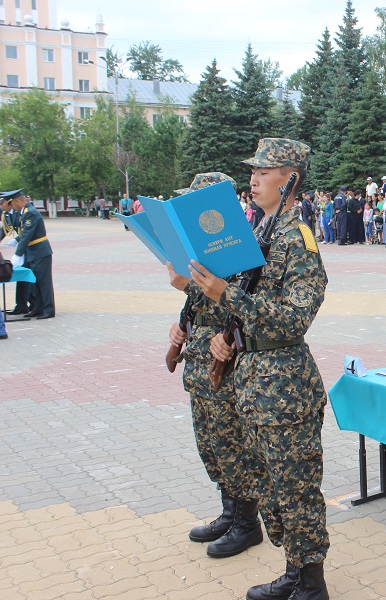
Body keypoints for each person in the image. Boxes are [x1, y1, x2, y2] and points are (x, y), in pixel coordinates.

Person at [183, 138, 330, 600]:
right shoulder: (263, 231)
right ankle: (293, 572)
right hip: (253, 381)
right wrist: (225, 334)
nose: (254, 178)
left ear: (291, 180)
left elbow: (293, 318)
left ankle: (310, 585)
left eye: (265, 172)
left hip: (284, 384)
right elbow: (249, 310)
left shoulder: (296, 238)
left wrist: (226, 295)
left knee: (296, 488)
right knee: (271, 486)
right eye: (254, 171)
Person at [166, 172, 265, 561]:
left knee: (233, 446)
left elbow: (236, 302)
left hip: (225, 360)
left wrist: (187, 286)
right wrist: (180, 324)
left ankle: (247, 524)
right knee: (211, 443)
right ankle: (229, 513)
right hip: (198, 360)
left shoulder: (240, 245)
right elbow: (200, 304)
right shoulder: (202, 247)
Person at [7, 190, 55, 319]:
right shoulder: (24, 213)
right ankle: (38, 308)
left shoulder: (31, 213)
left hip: (40, 251)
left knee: (44, 282)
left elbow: (27, 235)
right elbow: (24, 234)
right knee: (35, 282)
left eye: (12, 204)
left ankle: (49, 310)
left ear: (17, 201)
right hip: (33, 251)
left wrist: (17, 254)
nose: (12, 207)